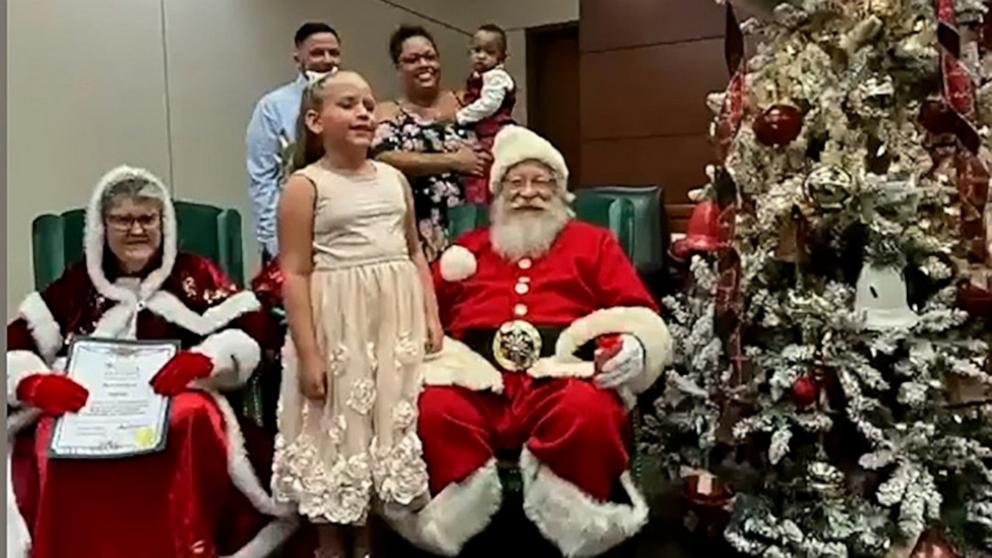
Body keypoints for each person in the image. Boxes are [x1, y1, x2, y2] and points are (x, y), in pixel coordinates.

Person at [385, 126, 674, 557]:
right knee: (432, 410)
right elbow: (421, 313)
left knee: (588, 412)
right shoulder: (470, 249)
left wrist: (631, 345)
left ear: (561, 192)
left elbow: (634, 308)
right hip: (476, 378)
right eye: (515, 183)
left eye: (541, 182)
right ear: (497, 194)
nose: (527, 192)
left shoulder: (593, 244)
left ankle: (581, 528)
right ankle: (452, 528)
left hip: (561, 373)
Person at [6, 165, 295, 558]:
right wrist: (34, 383)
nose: (136, 230)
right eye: (123, 220)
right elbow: (19, 340)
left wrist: (205, 362)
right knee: (50, 434)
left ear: (164, 223)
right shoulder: (77, 285)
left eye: (147, 218)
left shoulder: (195, 274)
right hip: (90, 404)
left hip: (175, 400)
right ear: (102, 227)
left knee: (191, 416)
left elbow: (252, 327)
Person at [270, 70, 443, 558]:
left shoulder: (393, 179)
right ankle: (329, 537)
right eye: (348, 104)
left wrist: (430, 314)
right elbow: (297, 272)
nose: (364, 112)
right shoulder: (306, 186)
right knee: (334, 425)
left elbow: (413, 252)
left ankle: (368, 532)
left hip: (394, 320)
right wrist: (308, 352)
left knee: (385, 419)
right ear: (315, 120)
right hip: (337, 323)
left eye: (369, 104)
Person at [373, 24, 490, 263]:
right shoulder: (387, 112)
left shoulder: (468, 103)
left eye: (430, 57)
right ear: (398, 67)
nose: (424, 65)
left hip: (474, 222)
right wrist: (453, 161)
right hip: (417, 232)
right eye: (412, 59)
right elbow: (382, 157)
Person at [247, 22, 342, 262]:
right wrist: (274, 242)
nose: (327, 60)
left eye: (334, 53)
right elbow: (262, 179)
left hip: (342, 227)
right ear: (298, 59)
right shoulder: (273, 106)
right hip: (290, 229)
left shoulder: (354, 103)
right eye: (317, 53)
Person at [454, 23, 517, 205]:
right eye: (477, 50)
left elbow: (489, 104)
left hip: (494, 131)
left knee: (483, 166)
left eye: (489, 52)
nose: (481, 56)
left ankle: (481, 201)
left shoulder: (496, 77)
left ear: (502, 58)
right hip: (482, 131)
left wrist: (461, 116)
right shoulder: (479, 76)